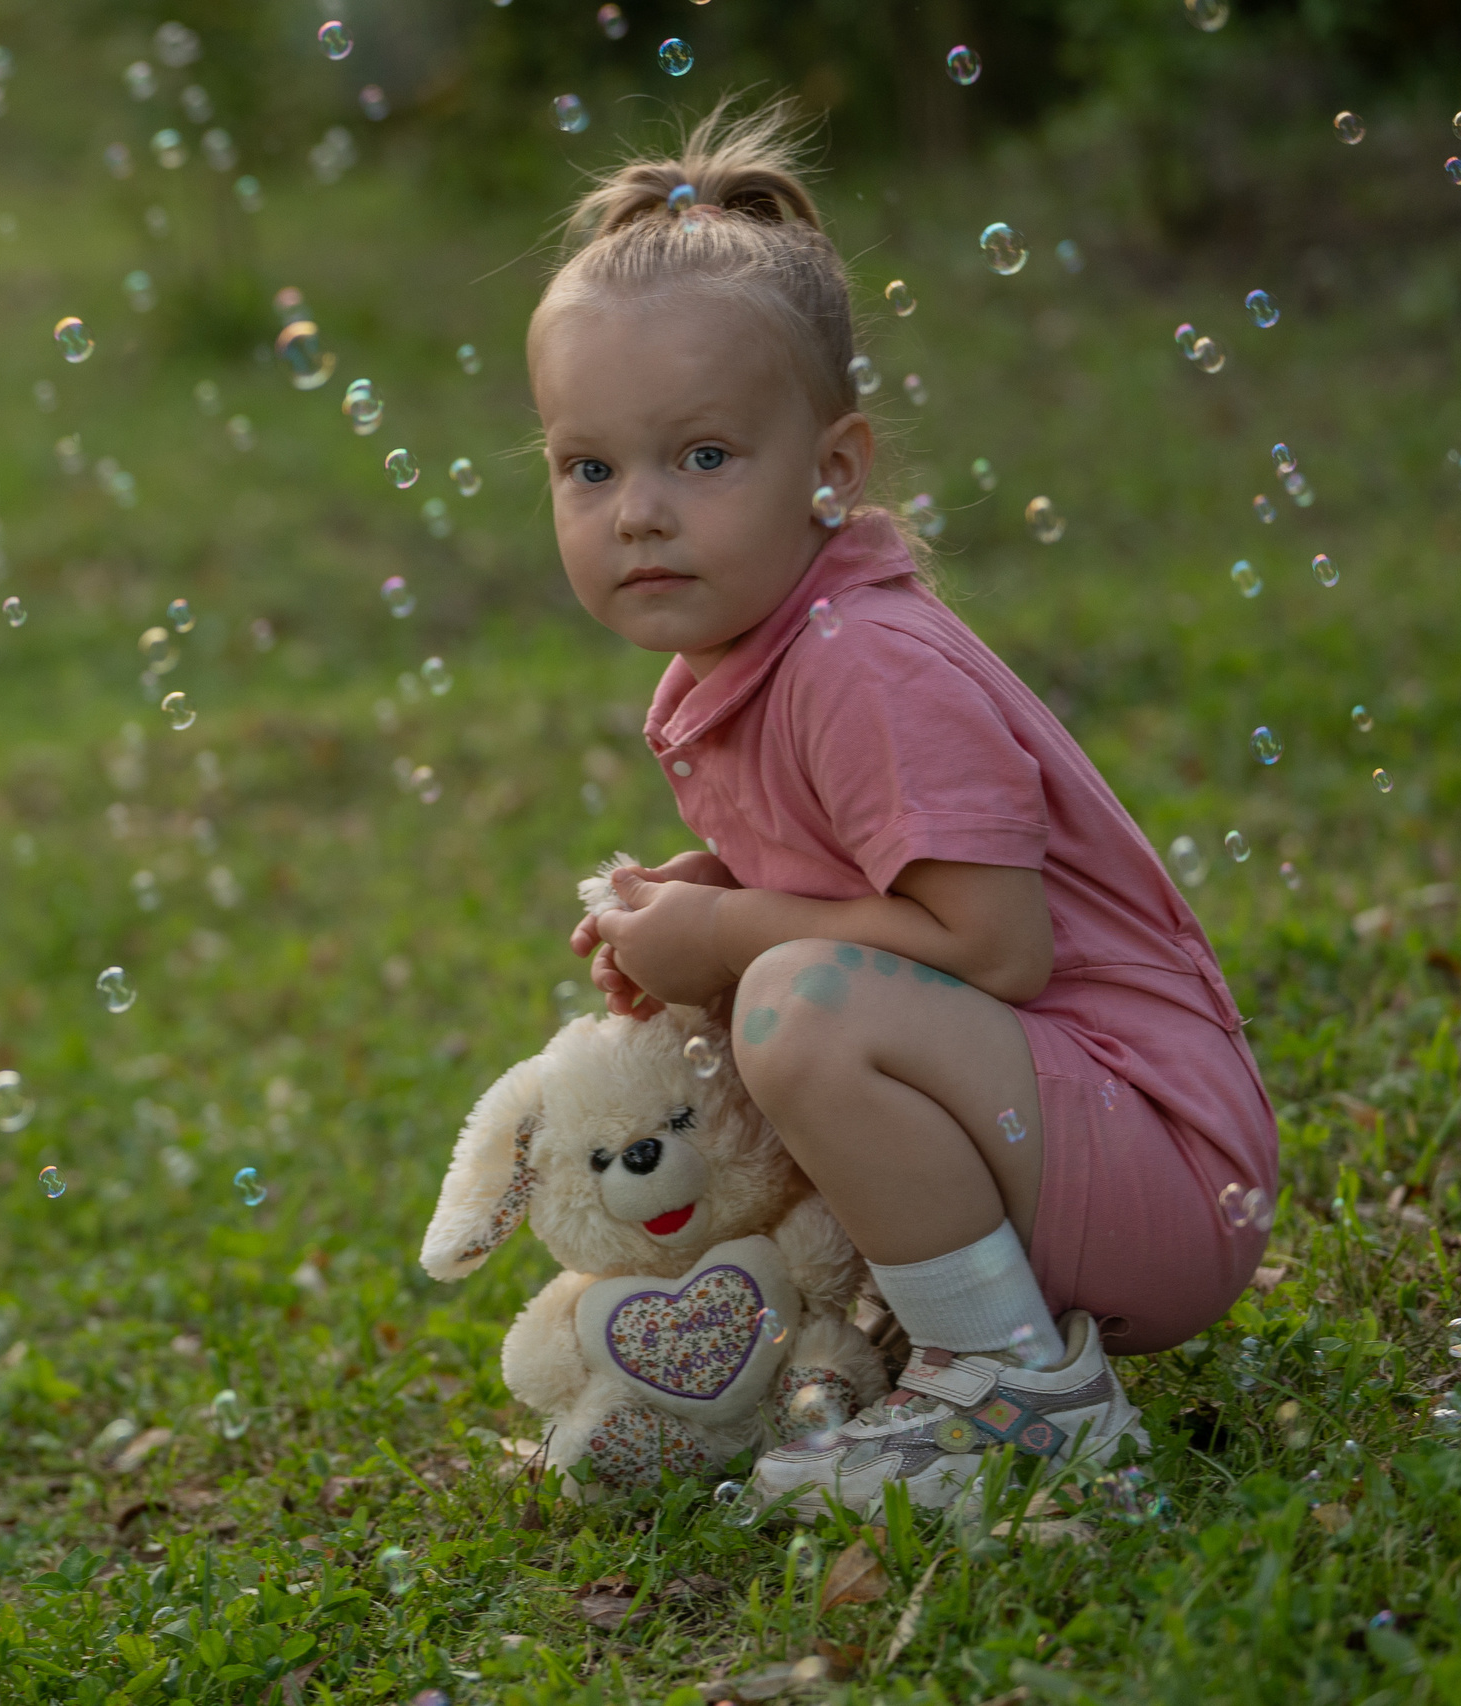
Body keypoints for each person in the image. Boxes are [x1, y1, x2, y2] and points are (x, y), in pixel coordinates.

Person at [532, 99, 1277, 1515]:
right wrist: (697, 898)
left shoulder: (863, 662)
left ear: (835, 467)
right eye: (589, 466)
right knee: (781, 985)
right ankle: (894, 1341)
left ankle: (1017, 1392)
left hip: (1161, 1165)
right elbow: (856, 892)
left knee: (800, 1000)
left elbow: (996, 949)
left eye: (701, 456)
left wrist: (737, 929)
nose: (637, 511)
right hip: (1048, 1132)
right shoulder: (746, 654)